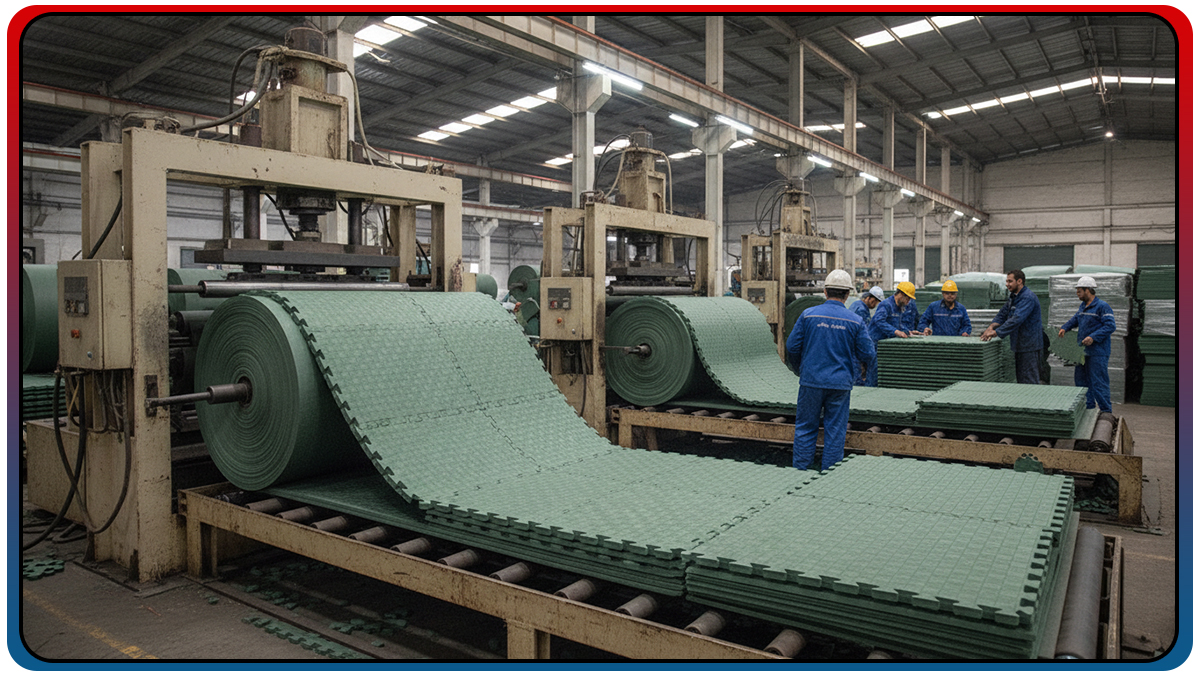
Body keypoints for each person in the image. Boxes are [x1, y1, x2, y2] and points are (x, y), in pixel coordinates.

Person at [785, 269, 875, 472]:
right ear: (847, 294)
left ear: (825, 292)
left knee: (805, 427)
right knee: (835, 431)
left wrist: (802, 369)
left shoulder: (808, 315)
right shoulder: (855, 321)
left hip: (811, 381)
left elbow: (792, 347)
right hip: (839, 384)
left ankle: (799, 473)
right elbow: (868, 353)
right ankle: (830, 477)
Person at [1057, 276, 1116, 413]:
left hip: (1098, 352)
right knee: (1081, 382)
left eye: (1079, 291)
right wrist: (1064, 327)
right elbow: (1076, 319)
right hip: (1083, 352)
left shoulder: (1102, 306)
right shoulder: (1083, 306)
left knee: (1098, 382)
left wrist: (1093, 337)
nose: (1077, 293)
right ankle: (1088, 409)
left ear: (1088, 290)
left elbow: (1110, 326)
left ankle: (1106, 412)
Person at [981, 269, 1043, 384]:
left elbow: (1016, 319)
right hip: (1019, 344)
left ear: (1019, 281)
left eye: (1010, 281)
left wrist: (996, 332)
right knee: (1021, 379)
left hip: (1029, 346)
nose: (1007, 284)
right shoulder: (1014, 297)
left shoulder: (1027, 297)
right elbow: (1003, 313)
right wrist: (991, 327)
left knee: (1029, 379)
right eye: (1006, 281)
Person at [864, 282, 916, 385]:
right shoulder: (886, 305)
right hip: (875, 344)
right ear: (901, 294)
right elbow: (879, 321)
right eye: (908, 298)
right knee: (874, 373)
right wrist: (896, 332)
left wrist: (908, 331)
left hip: (886, 345)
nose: (908, 302)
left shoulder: (899, 307)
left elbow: (897, 324)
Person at [848, 286, 884, 384]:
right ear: (868, 298)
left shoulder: (856, 304)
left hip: (850, 344)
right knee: (857, 376)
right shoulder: (862, 310)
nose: (875, 305)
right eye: (874, 301)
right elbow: (862, 332)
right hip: (855, 345)